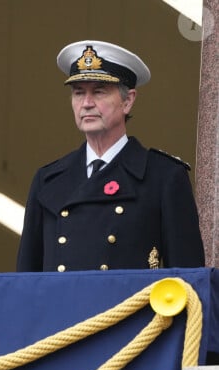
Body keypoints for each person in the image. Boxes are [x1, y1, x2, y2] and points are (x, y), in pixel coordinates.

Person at [16, 40, 205, 272]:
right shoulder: (48, 179)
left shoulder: (163, 177)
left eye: (99, 92)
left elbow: (187, 279)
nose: (86, 103)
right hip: (61, 308)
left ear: (128, 101)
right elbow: (26, 279)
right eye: (78, 93)